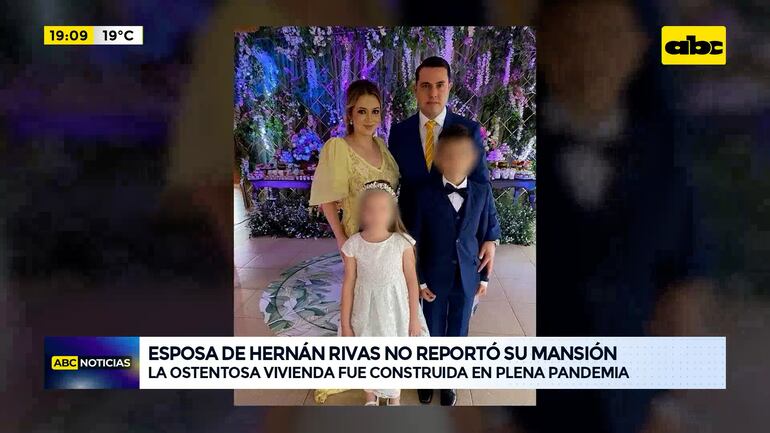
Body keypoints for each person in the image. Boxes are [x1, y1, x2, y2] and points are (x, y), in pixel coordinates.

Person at [409, 124, 500, 406]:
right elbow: (414, 241)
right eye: (448, 154)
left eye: (462, 154)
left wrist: (483, 278)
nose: (455, 160)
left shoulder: (482, 192)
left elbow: (485, 237)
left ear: (473, 158)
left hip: (467, 276)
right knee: (432, 328)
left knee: (459, 330)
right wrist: (420, 280)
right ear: (438, 156)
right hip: (433, 277)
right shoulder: (424, 194)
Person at [339, 180, 429, 406]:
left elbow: (411, 281)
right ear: (361, 212)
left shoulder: (402, 243)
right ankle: (370, 395)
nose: (376, 215)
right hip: (365, 311)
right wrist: (346, 324)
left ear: (392, 212)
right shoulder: (354, 245)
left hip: (395, 310)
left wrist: (414, 318)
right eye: (370, 209)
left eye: (382, 209)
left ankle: (393, 395)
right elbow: (348, 284)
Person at [310, 79, 400, 252]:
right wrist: (340, 238)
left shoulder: (381, 145)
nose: (370, 119)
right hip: (358, 239)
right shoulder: (339, 148)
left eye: (375, 111)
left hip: (389, 237)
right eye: (362, 111)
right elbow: (327, 200)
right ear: (350, 115)